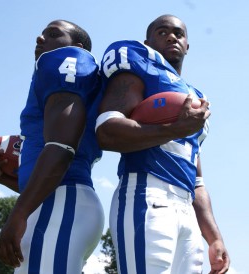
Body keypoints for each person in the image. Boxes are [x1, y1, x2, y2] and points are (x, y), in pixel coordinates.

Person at [95, 14, 229, 273]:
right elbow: (107, 131)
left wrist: (214, 237)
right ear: (148, 42)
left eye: (178, 33)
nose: (171, 37)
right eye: (162, 32)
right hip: (148, 194)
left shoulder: (196, 97)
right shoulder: (141, 68)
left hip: (187, 209)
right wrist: (176, 128)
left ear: (187, 45)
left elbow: (197, 179)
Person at [0, 19, 104, 274]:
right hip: (61, 201)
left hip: (63, 201)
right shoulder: (65, 80)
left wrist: (19, 213)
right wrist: (5, 180)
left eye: (52, 34)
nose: (39, 38)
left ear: (78, 47)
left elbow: (62, 147)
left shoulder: (68, 60)